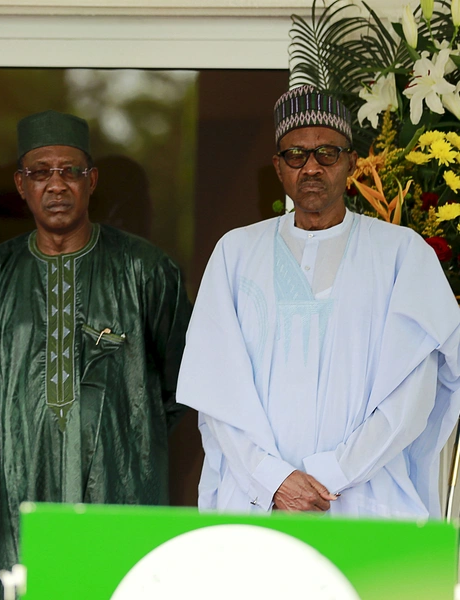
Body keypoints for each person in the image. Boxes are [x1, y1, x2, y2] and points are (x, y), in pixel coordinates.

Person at [0, 110, 192, 599]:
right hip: (12, 495)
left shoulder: (146, 270)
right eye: (40, 172)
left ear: (91, 181)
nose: (56, 184)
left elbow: (182, 388)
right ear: (21, 184)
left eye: (69, 171)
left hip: (120, 497)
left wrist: (127, 447)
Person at [177, 86, 460, 517]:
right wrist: (274, 480)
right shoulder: (235, 254)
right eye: (296, 154)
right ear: (278, 167)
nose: (311, 167)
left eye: (327, 153)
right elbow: (216, 394)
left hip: (366, 501)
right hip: (257, 501)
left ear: (350, 162)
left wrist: (330, 475)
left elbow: (412, 396)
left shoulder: (403, 254)